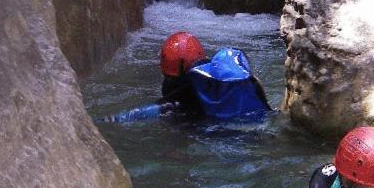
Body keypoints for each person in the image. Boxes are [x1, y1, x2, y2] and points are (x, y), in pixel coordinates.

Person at [100, 32, 271, 123]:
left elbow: (144, 113)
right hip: (259, 118)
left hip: (224, 135)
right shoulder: (222, 78)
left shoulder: (184, 96)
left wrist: (107, 120)